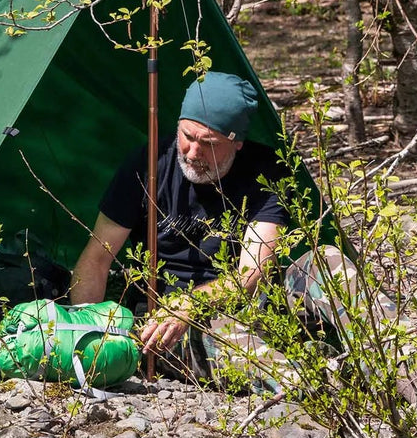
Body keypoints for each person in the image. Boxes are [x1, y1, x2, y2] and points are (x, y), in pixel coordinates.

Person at [69, 71, 292, 377]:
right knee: (247, 353)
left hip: (246, 305)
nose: (193, 153)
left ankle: (379, 362)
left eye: (209, 143)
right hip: (169, 322)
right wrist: (84, 335)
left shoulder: (266, 172)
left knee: (331, 261)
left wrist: (192, 303)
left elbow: (253, 273)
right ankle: (313, 387)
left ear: (237, 142)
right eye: (187, 137)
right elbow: (97, 258)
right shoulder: (147, 164)